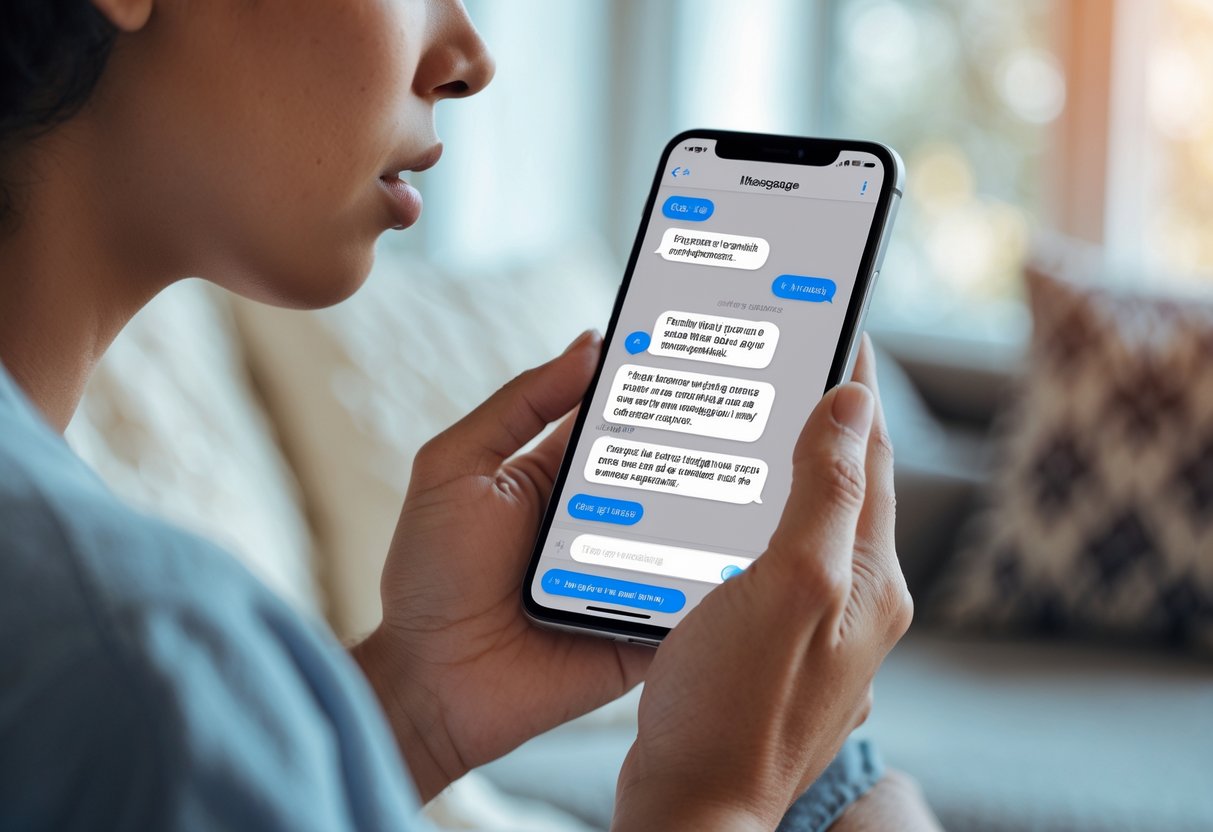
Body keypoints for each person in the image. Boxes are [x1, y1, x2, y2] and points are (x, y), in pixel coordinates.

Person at [0, 1, 940, 829]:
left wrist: (419, 697)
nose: (469, 58)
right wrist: (715, 796)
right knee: (852, 800)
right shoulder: (134, 658)